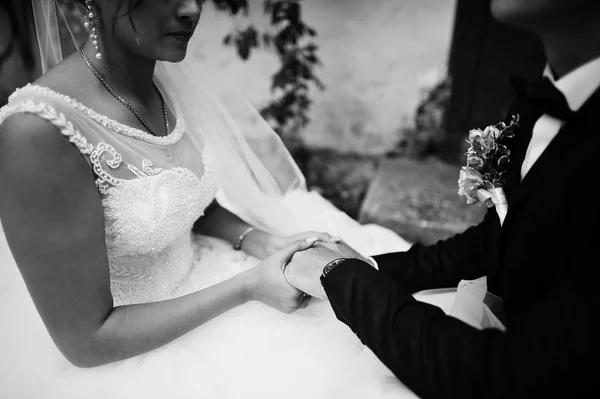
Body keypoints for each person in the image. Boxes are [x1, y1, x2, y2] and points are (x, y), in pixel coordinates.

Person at [0, 1, 455, 398]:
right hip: (134, 347)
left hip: (214, 268)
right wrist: (249, 287)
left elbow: (186, 198)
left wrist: (259, 241)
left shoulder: (164, 77)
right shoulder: (38, 132)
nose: (192, 9)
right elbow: (87, 342)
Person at [283, 0, 600, 397]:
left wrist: (343, 277)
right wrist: (368, 266)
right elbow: (498, 242)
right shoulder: (535, 104)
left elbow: (511, 375)